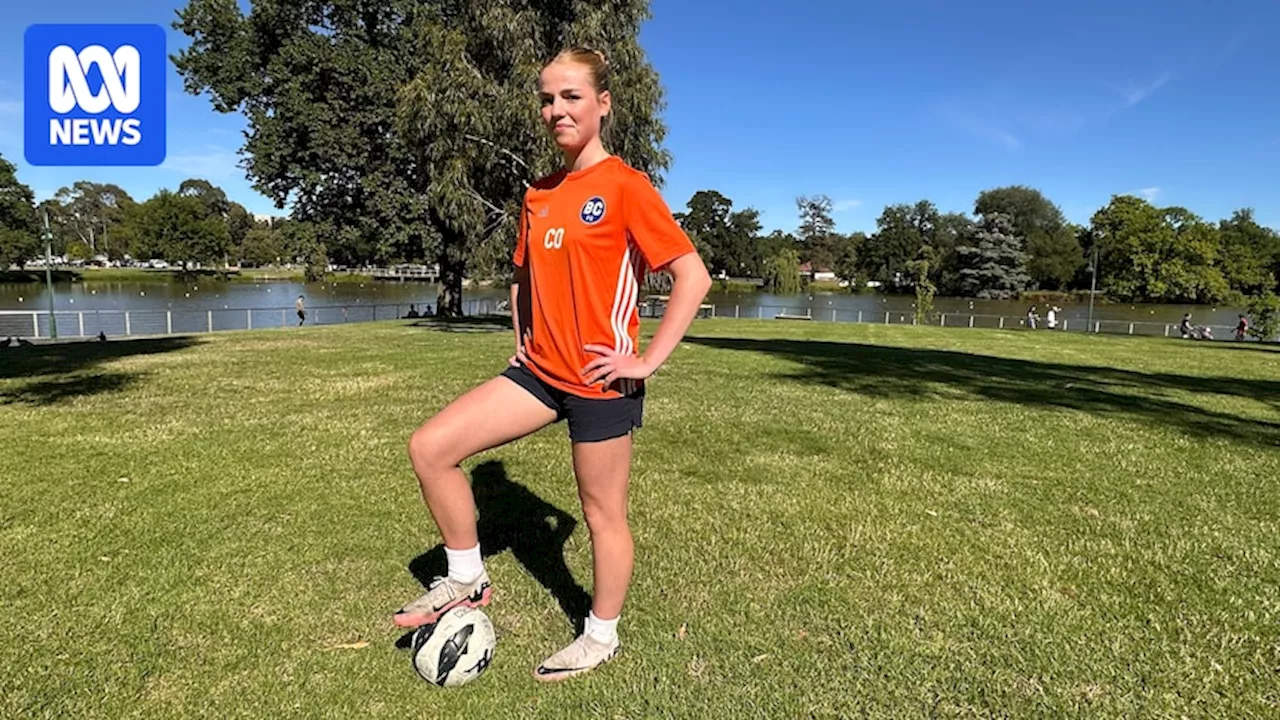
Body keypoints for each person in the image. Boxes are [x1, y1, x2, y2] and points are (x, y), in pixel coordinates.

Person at [394, 47, 712, 683]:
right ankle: (466, 580)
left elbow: (692, 276)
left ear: (603, 104)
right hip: (539, 373)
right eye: (547, 98)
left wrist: (646, 360)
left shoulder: (626, 187)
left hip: (601, 384)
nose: (556, 109)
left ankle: (600, 637)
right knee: (430, 448)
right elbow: (523, 275)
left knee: (601, 515)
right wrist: (522, 336)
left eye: (571, 96)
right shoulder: (538, 194)